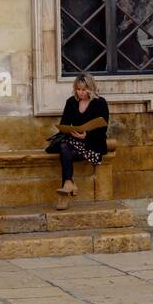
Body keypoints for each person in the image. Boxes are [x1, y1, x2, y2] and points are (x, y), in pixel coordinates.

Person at [46, 74, 108, 210]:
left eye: (84, 90)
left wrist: (86, 136)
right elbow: (64, 124)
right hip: (73, 142)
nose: (81, 92)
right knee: (64, 146)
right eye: (78, 89)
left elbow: (103, 129)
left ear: (91, 89)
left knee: (65, 151)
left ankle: (65, 193)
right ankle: (68, 183)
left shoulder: (100, 103)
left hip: (92, 145)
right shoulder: (71, 102)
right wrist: (70, 130)